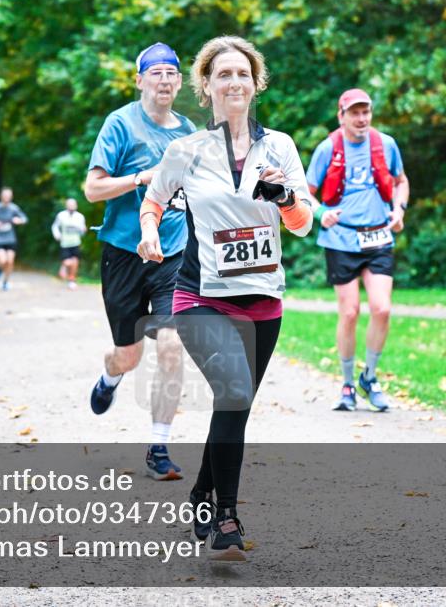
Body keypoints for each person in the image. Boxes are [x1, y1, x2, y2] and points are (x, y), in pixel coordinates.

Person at [138, 36, 313, 561]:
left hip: (263, 299)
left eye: (243, 74)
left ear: (255, 83)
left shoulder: (279, 145)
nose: (234, 82)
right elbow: (153, 200)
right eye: (223, 75)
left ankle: (199, 492)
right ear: (207, 86)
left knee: (234, 405)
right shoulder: (186, 151)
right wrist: (149, 232)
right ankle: (227, 519)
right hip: (201, 296)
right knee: (234, 389)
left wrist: (283, 197)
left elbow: (303, 225)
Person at [84, 42, 196, 481]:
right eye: (156, 73)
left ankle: (159, 446)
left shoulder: (187, 132)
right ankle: (110, 377)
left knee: (171, 345)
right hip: (123, 255)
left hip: (173, 254)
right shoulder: (120, 124)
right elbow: (93, 190)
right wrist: (140, 178)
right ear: (140, 80)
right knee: (128, 355)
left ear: (180, 82)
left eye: (172, 72)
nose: (165, 79)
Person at [305, 88, 410, 412]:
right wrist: (322, 213)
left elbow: (401, 181)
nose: (362, 119)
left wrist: (399, 209)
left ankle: (370, 377)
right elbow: (304, 193)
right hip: (341, 240)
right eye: (355, 113)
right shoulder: (328, 149)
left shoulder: (385, 144)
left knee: (382, 309)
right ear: (342, 116)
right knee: (349, 313)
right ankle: (348, 384)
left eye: (366, 112)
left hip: (378, 237)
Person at [0, 188, 28, 291]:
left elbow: (25, 219)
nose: (7, 198)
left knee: (10, 261)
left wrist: (19, 221)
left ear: (11, 197)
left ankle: (5, 282)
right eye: (5, 195)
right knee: (3, 260)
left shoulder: (14, 208)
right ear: (1, 196)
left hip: (10, 238)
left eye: (9, 196)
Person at [51, 198, 87, 290]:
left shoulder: (80, 217)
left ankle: (71, 280)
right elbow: (55, 226)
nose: (71, 206)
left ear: (76, 206)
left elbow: (82, 231)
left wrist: (83, 230)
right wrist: (57, 235)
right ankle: (63, 267)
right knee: (67, 262)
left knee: (75, 262)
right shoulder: (61, 215)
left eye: (73, 204)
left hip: (76, 242)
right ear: (66, 205)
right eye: (69, 204)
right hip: (65, 243)